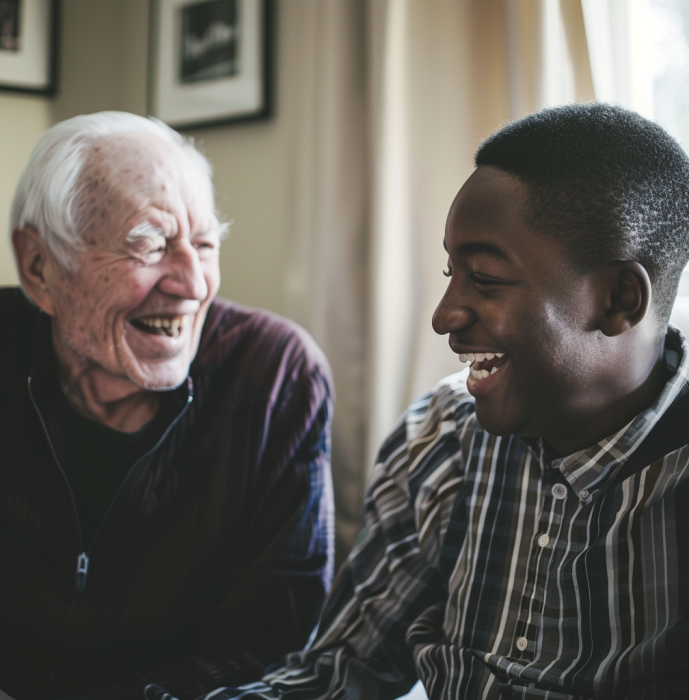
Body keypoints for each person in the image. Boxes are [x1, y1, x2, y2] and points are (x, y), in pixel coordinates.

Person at [203, 103, 689, 700]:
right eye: (449, 272)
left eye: (484, 279)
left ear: (618, 300)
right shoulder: (442, 437)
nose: (444, 316)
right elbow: (339, 675)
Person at [0, 112, 334, 700]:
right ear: (38, 265)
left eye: (205, 244)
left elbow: (268, 639)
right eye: (147, 245)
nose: (195, 282)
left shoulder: (276, 376)